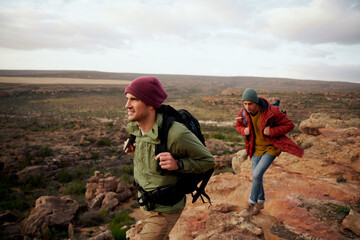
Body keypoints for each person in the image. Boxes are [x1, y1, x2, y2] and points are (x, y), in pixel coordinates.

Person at [123, 76, 215, 240]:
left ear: (150, 104)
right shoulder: (137, 129)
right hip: (146, 203)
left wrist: (179, 164)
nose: (127, 105)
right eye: (127, 99)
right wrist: (135, 148)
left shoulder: (176, 133)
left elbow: (208, 161)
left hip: (166, 208)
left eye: (134, 100)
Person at [235, 88, 303, 218]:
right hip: (255, 148)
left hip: (271, 147)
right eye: (245, 104)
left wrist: (271, 131)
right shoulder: (243, 113)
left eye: (250, 104)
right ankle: (261, 202)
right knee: (257, 176)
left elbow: (289, 125)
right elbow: (238, 126)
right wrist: (244, 131)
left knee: (257, 175)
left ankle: (251, 205)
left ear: (256, 102)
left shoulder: (272, 112)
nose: (247, 107)